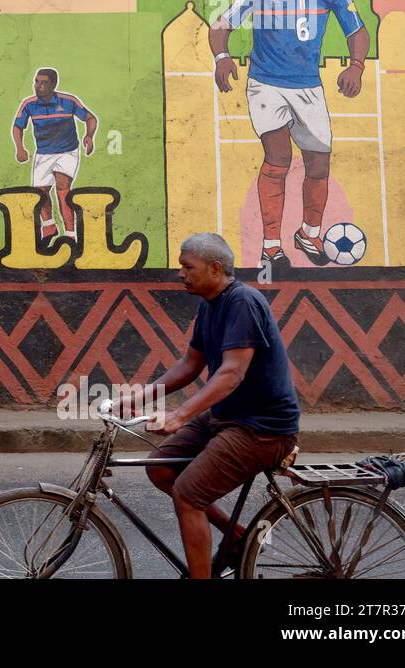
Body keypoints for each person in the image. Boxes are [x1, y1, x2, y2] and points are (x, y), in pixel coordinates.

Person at [123, 232, 301, 580]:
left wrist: (179, 415)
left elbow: (232, 373)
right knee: (160, 467)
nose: (180, 274)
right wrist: (141, 396)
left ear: (215, 268)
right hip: (228, 417)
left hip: (262, 428)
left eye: (187, 266)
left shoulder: (243, 302)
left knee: (189, 495)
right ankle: (237, 534)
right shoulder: (210, 306)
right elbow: (190, 364)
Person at [210, 0, 369, 271]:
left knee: (319, 165)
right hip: (266, 86)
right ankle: (270, 247)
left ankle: (308, 234)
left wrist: (356, 66)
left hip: (309, 87)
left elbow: (357, 32)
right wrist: (222, 57)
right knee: (279, 158)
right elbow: (220, 26)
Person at [11, 68, 97, 245]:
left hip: (67, 151)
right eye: (36, 82)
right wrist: (20, 148)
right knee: (40, 193)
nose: (39, 86)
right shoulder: (29, 104)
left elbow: (90, 118)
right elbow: (17, 127)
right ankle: (49, 225)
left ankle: (70, 233)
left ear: (53, 85)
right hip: (44, 153)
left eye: (44, 82)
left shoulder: (68, 101)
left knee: (62, 187)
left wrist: (89, 135)